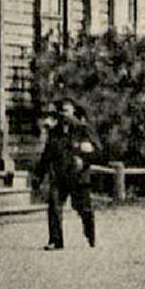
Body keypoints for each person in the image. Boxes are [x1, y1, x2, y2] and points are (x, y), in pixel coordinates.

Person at [36, 100, 97, 249]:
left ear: (73, 112)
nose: (64, 115)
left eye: (67, 111)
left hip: (79, 177)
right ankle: (56, 241)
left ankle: (90, 232)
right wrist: (38, 175)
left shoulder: (83, 130)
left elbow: (98, 151)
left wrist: (85, 156)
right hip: (60, 176)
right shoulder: (54, 132)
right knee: (54, 206)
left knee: (84, 210)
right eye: (61, 111)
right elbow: (47, 155)